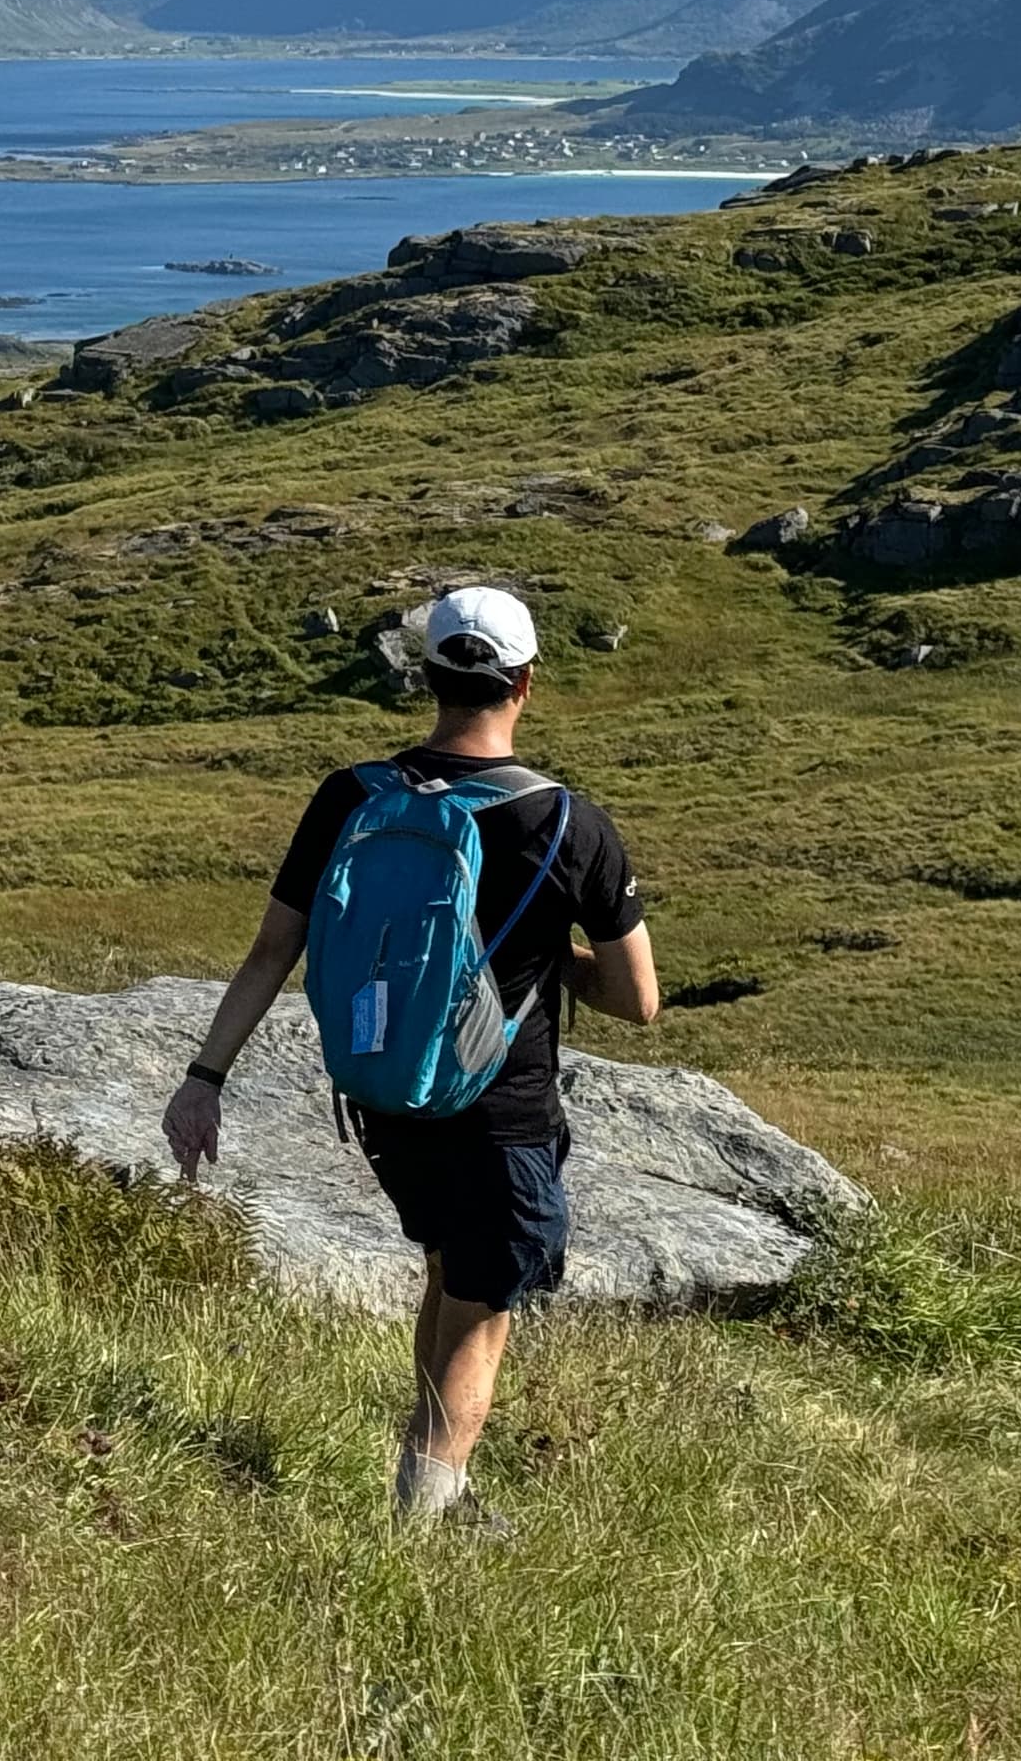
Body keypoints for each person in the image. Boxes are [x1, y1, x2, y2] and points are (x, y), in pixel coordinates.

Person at [159, 585, 658, 1526]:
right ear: (526, 683)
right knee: (483, 1309)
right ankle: (420, 1527)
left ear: (427, 676)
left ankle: (438, 1489)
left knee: (446, 1268)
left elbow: (276, 949)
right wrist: (553, 954)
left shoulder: (354, 795)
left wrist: (206, 1076)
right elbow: (639, 1001)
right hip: (499, 1108)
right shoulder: (566, 824)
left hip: (386, 1095)